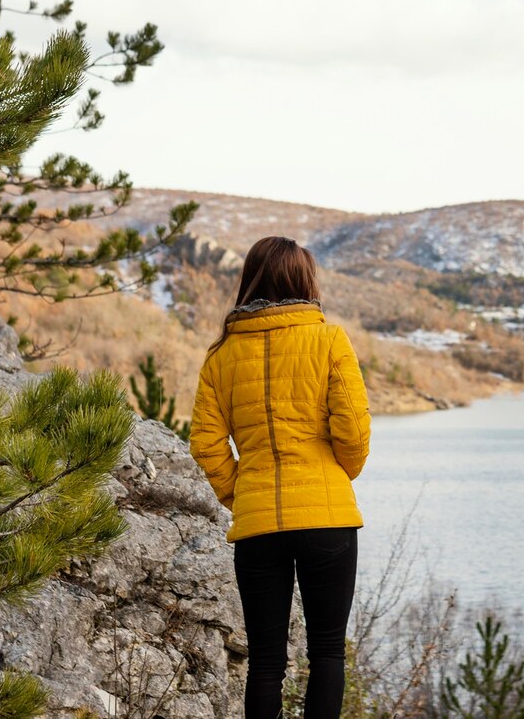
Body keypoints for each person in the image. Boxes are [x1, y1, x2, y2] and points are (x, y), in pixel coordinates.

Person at [189, 236, 371, 719]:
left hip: (258, 527)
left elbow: (206, 444)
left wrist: (241, 494)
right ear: (304, 280)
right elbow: (352, 429)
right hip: (327, 519)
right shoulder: (330, 340)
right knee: (327, 653)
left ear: (251, 280)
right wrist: (340, 473)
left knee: (266, 664)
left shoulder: (221, 356)